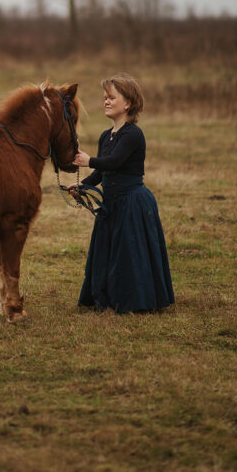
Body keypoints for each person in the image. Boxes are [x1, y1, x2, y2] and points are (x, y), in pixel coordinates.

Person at [70, 73, 174, 314]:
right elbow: (101, 173)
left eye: (111, 97)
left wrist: (89, 160)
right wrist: (82, 186)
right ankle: (106, 298)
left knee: (129, 254)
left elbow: (114, 162)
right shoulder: (106, 136)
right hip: (110, 205)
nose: (106, 101)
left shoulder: (132, 135)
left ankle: (135, 301)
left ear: (127, 103)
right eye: (105, 97)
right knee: (108, 252)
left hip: (132, 204)